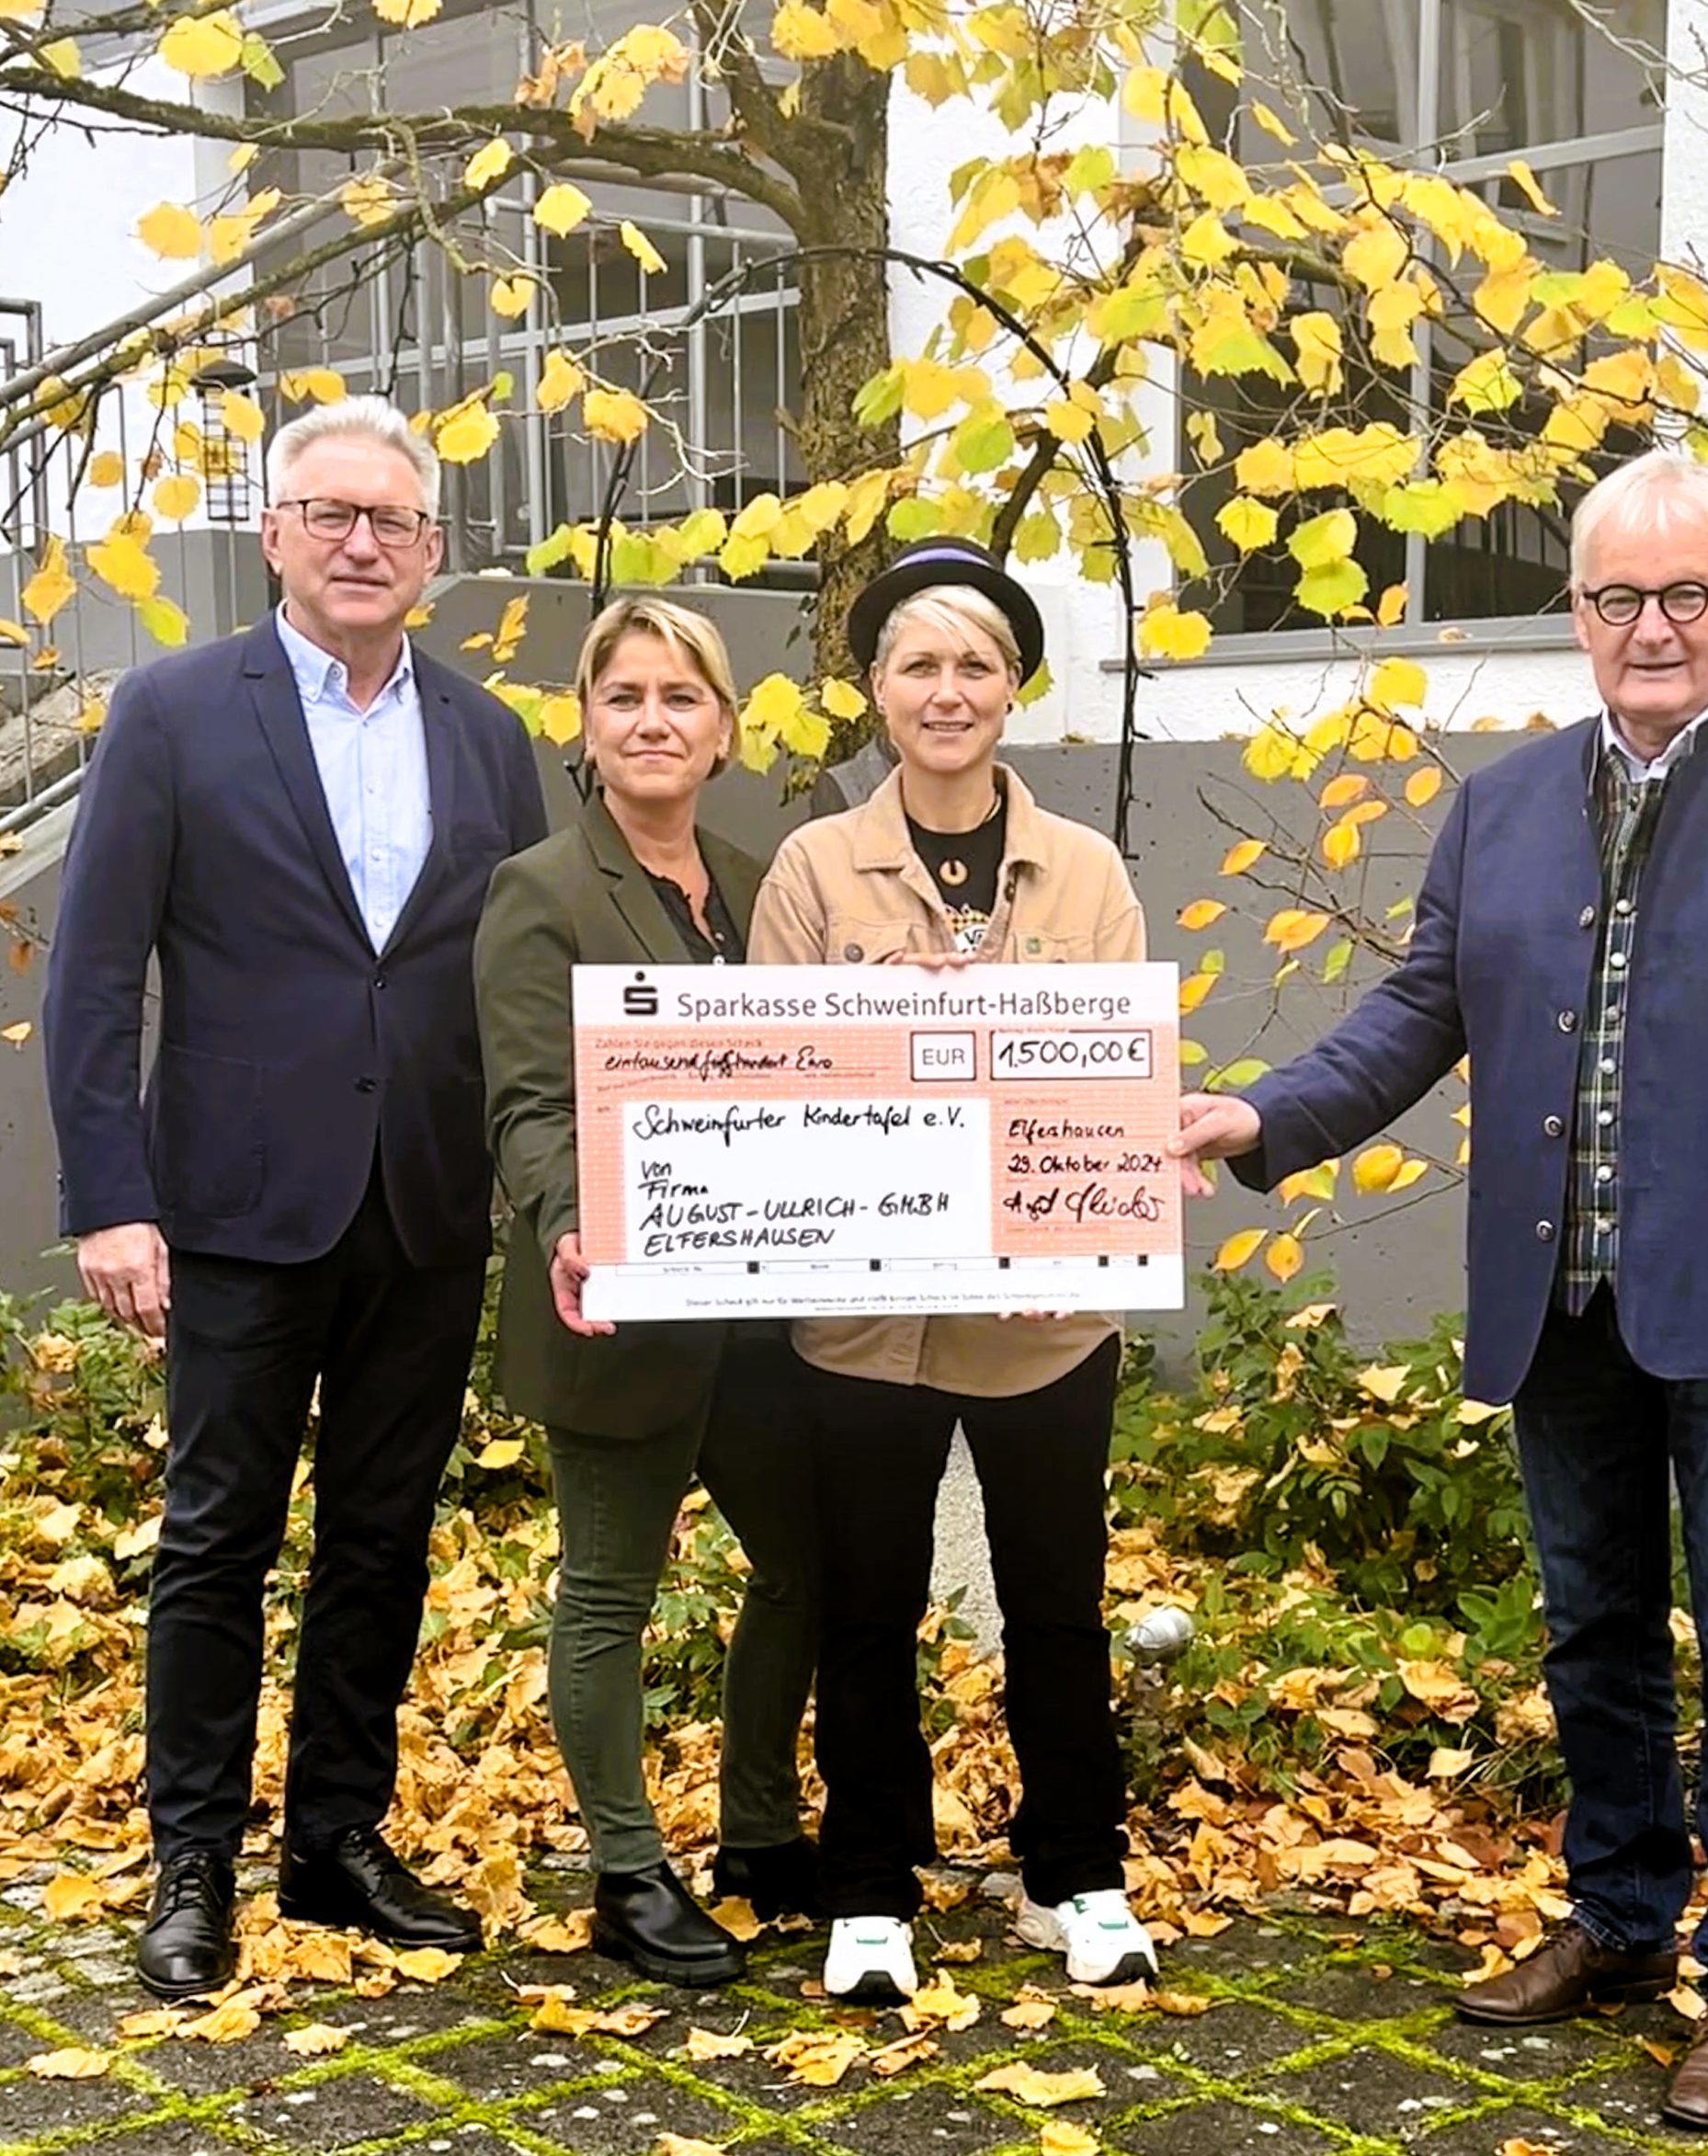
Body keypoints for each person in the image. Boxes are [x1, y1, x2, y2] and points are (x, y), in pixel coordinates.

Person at [1172, 451, 1708, 2127]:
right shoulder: (1505, 801)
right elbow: (1413, 1013)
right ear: (1577, 616)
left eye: (1684, 593)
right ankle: (1615, 1920)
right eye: (1615, 597)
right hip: (1560, 1302)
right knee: (1592, 1634)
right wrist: (1258, 1117)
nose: (1649, 626)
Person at [41, 397, 549, 1998]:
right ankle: (190, 1861)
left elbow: (514, 983)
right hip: (238, 1208)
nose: (359, 543)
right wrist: (110, 1198)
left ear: (433, 552)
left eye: (390, 521)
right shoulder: (179, 712)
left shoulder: (486, 735)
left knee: (382, 1536)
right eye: (328, 514)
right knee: (215, 1538)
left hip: (422, 1203)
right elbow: (94, 973)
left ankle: (336, 1837)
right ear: (272, 533)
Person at [748, 536, 1156, 2006]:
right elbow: (776, 1090)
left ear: (1012, 688)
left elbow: (1112, 1079)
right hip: (867, 1315)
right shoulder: (811, 866)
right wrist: (879, 1016)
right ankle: (869, 1890)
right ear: (873, 689)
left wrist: (1078, 1233)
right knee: (866, 1599)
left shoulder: (1086, 868)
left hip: (1044, 1313)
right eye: (917, 662)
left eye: (975, 662)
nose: (947, 688)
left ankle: (1078, 1873)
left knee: (1058, 1598)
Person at [474, 597, 819, 1988]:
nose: (653, 720)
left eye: (682, 696)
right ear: (587, 724)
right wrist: (571, 1222)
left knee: (809, 1562)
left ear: (725, 728)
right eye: (624, 696)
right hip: (611, 1296)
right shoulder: (540, 890)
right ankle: (627, 1869)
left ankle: (754, 1830)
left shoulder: (764, 880)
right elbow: (525, 1103)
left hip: (765, 1303)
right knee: (609, 1591)